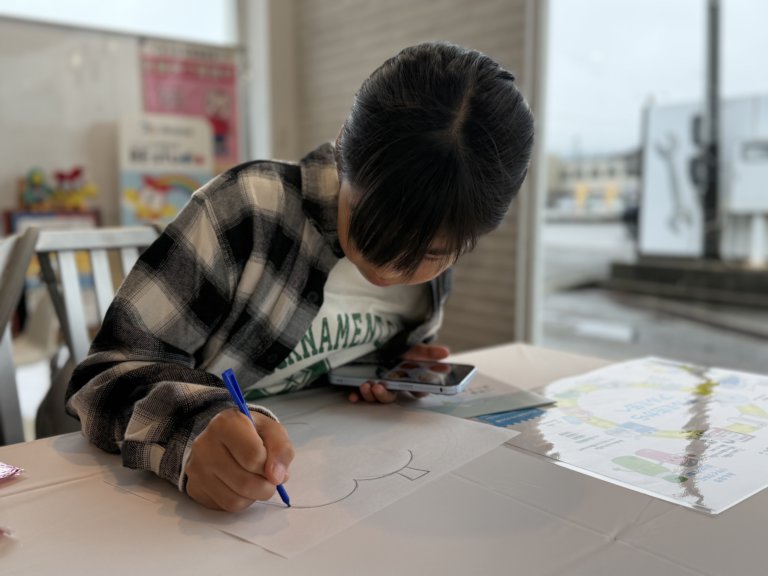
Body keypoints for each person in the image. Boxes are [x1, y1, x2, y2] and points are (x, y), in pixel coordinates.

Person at [65, 41, 535, 512]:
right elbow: (103, 377)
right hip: (102, 493)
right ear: (343, 154)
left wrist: (386, 369)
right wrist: (192, 431)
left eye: (432, 253)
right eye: (374, 232)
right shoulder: (247, 210)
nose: (392, 270)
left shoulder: (433, 269)